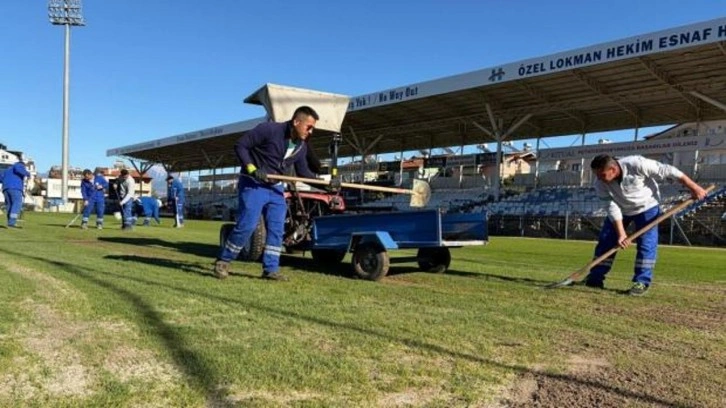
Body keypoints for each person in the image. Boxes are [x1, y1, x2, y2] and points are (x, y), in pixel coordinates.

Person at [214, 106, 340, 280]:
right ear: (296, 122)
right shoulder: (269, 129)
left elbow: (303, 173)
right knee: (247, 225)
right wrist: (252, 168)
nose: (311, 131)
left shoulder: (301, 147)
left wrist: (327, 186)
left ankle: (271, 269)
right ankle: (223, 261)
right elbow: (241, 146)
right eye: (309, 127)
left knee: (277, 229)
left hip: (276, 189)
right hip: (253, 184)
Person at [585, 154, 707, 296]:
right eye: (597, 175)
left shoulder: (637, 164)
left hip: (647, 207)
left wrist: (694, 187)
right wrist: (621, 233)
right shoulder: (600, 183)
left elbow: (670, 171)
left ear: (613, 169)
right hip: (621, 209)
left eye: (602, 175)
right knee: (606, 240)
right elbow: (611, 207)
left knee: (646, 244)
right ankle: (595, 278)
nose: (599, 178)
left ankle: (641, 282)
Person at [2, 160, 30, 228]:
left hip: (6, 188)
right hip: (15, 187)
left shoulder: (7, 170)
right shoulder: (18, 165)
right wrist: (27, 173)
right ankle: (12, 222)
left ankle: (9, 221)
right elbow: (18, 169)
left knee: (9, 205)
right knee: (16, 204)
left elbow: (1, 177)